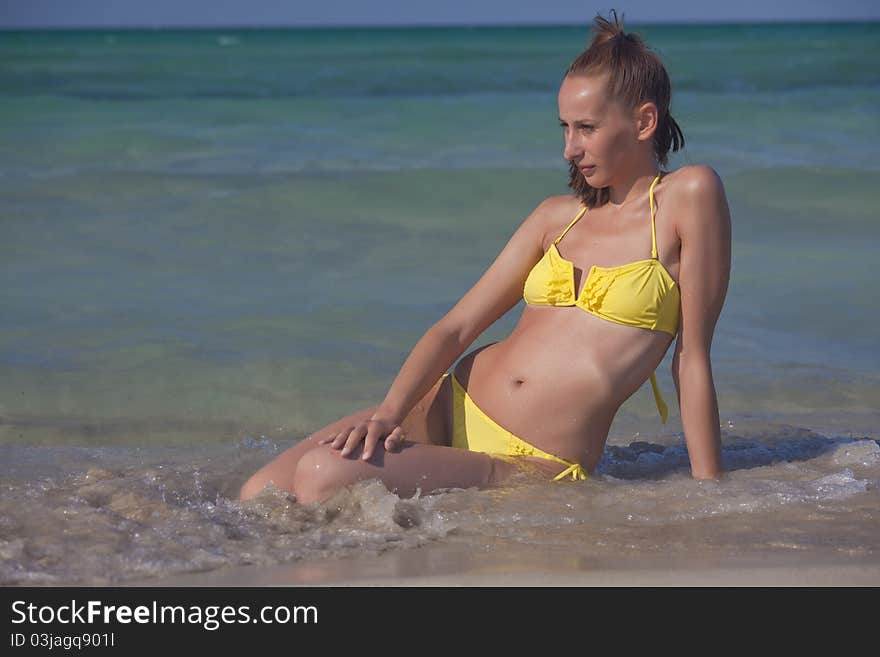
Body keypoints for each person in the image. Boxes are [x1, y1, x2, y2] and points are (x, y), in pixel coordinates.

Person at [239, 10, 731, 505]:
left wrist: (711, 497)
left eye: (586, 128)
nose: (569, 148)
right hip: (445, 406)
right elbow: (456, 328)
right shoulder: (557, 217)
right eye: (564, 128)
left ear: (644, 121)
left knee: (323, 475)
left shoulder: (688, 196)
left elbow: (691, 359)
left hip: (529, 461)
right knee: (259, 492)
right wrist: (389, 411)